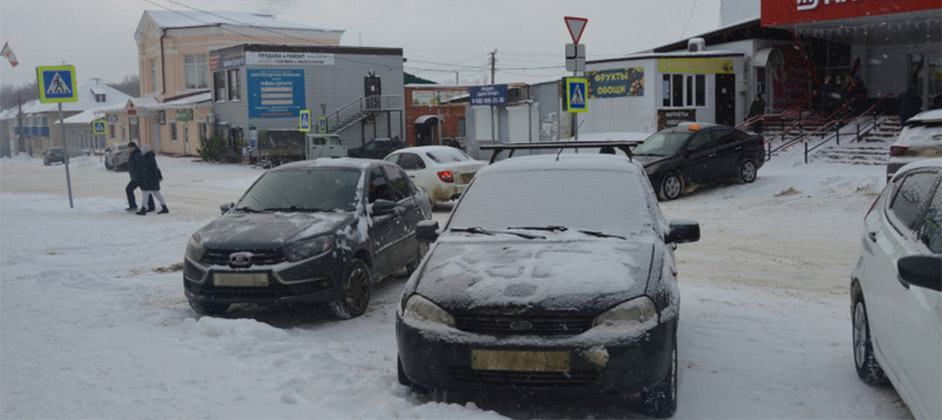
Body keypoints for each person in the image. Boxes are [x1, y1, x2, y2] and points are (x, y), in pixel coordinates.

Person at [136, 150, 168, 215]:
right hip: (153, 180)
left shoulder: (147, 159)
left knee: (145, 194)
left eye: (143, 151)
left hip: (149, 180)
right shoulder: (151, 158)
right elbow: (156, 169)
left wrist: (146, 178)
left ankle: (143, 209)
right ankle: (164, 207)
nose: (142, 152)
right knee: (156, 194)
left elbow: (149, 170)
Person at [125, 142, 154, 212]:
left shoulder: (138, 155)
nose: (130, 149)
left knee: (130, 189)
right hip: (135, 177)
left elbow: (141, 166)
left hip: (139, 177)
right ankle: (150, 206)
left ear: (135, 147)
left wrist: (138, 175)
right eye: (129, 148)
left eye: (131, 147)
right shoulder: (132, 154)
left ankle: (134, 206)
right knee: (145, 191)